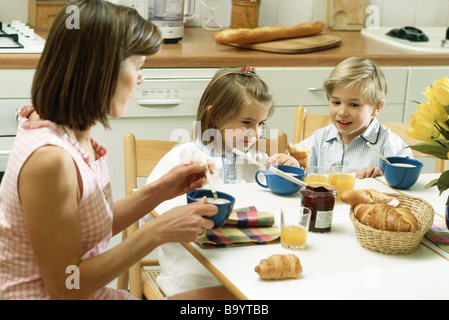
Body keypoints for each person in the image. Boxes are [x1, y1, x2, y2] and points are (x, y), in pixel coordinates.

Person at [0, 0, 235, 300]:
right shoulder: (50, 161)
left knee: (226, 296)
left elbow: (82, 227)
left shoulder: (62, 126)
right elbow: (65, 288)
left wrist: (161, 190)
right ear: (101, 68)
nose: (141, 77)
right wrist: (156, 231)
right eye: (138, 64)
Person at [146, 67, 298, 296]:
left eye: (261, 124)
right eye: (247, 122)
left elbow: (289, 198)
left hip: (247, 268)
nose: (255, 133)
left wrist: (290, 169)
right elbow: (150, 215)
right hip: (192, 273)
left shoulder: (258, 162)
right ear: (216, 116)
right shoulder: (183, 159)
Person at [292, 57, 413, 178]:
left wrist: (385, 181)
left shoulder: (389, 144)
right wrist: (289, 163)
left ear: (377, 107)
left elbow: (406, 180)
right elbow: (294, 168)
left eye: (354, 105)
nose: (342, 112)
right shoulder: (319, 139)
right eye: (336, 102)